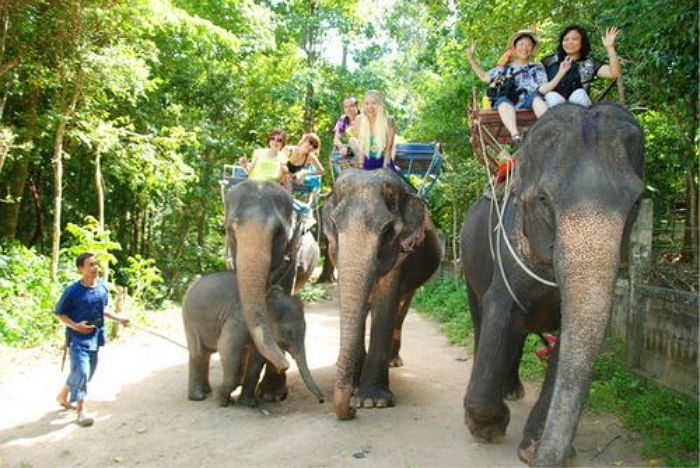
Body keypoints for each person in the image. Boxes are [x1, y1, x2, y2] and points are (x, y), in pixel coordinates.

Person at [54, 252, 130, 427]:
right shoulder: (72, 291)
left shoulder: (102, 288)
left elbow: (103, 310)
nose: (95, 268)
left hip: (96, 337)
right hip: (78, 338)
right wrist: (75, 326)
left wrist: (120, 319)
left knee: (87, 372)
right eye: (90, 265)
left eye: (96, 264)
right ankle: (81, 411)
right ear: (81, 269)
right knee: (82, 372)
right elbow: (59, 313)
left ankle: (63, 395)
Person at [467, 30, 549, 146]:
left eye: (529, 45)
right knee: (502, 102)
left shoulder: (537, 67)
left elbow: (544, 86)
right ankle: (516, 136)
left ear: (532, 49)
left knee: (536, 99)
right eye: (521, 44)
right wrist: (471, 59)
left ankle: (550, 128)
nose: (525, 48)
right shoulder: (504, 68)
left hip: (528, 99)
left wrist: (561, 72)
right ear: (514, 48)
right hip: (508, 100)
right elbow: (485, 76)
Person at [539, 25, 621, 108]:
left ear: (582, 42)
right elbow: (532, 73)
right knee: (551, 96)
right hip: (554, 108)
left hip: (580, 108)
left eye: (575, 39)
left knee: (579, 93)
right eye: (566, 39)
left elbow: (613, 73)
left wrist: (610, 48)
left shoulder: (590, 63)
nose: (570, 42)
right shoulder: (550, 60)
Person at [348, 90, 396, 170]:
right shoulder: (359, 120)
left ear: (380, 105)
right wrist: (361, 166)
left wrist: (385, 169)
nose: (370, 107)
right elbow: (360, 147)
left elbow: (388, 150)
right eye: (367, 103)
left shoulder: (388, 122)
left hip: (383, 162)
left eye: (374, 103)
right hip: (366, 162)